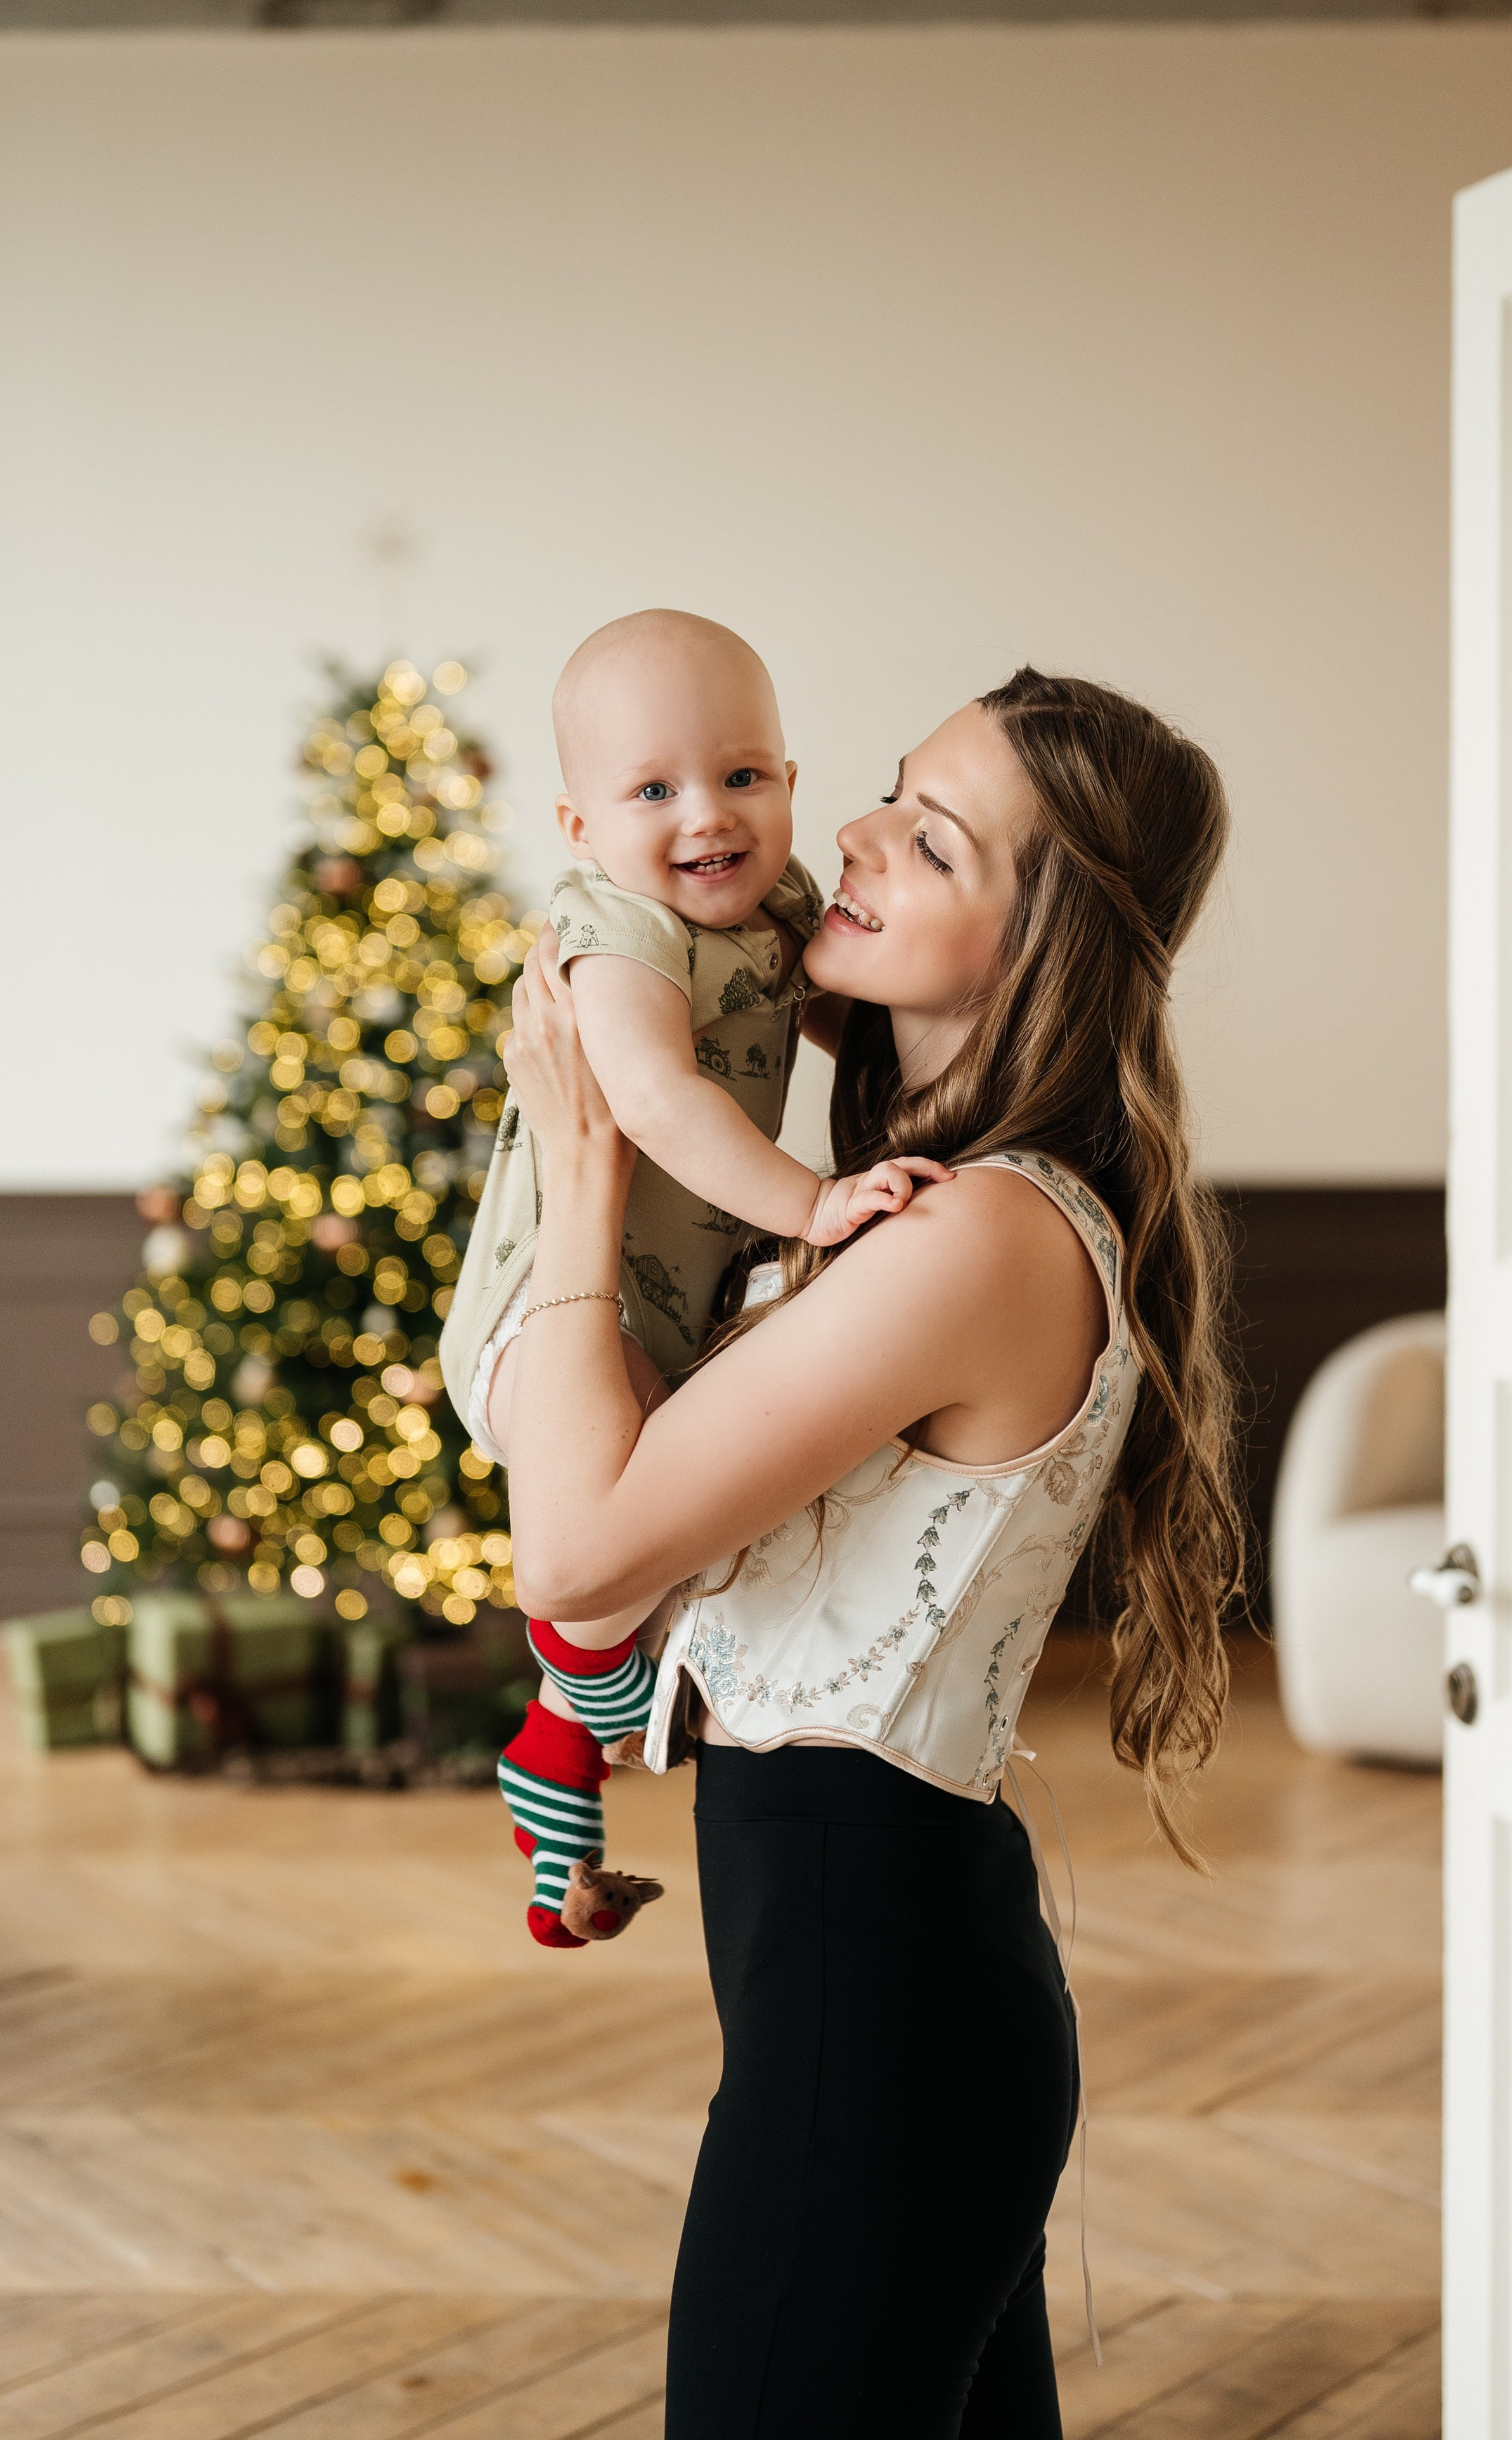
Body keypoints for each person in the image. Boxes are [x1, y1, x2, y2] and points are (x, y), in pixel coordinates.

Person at [497, 666, 1244, 2437]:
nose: (846, 837)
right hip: (872, 1984)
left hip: (882, 2007)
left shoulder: (974, 1233)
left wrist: (581, 1174)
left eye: (929, 838)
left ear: (1041, 941)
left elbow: (578, 1557)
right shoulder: (923, 1182)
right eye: (888, 793)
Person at [441, 609, 943, 1945]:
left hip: (662, 1308)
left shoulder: (776, 908)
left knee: (662, 1548)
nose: (703, 816)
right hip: (545, 1321)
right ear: (578, 825)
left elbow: (837, 1013)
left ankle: (558, 1772)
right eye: (650, 789)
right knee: (621, 1548)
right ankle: (581, 1717)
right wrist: (818, 1199)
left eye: (739, 775)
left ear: (788, 779)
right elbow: (655, 1102)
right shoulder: (613, 930)